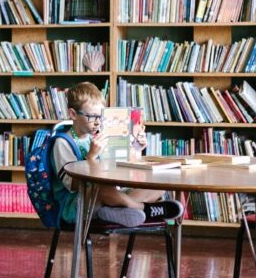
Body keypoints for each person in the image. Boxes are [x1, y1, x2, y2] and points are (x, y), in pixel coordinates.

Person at [53, 81, 184, 227]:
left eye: (100, 117)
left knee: (159, 183)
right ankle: (145, 209)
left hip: (111, 196)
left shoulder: (97, 137)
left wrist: (137, 149)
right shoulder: (62, 143)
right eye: (91, 117)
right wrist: (91, 157)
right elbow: (74, 185)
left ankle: (116, 212)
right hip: (78, 204)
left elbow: (121, 170)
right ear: (73, 114)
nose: (97, 123)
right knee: (101, 189)